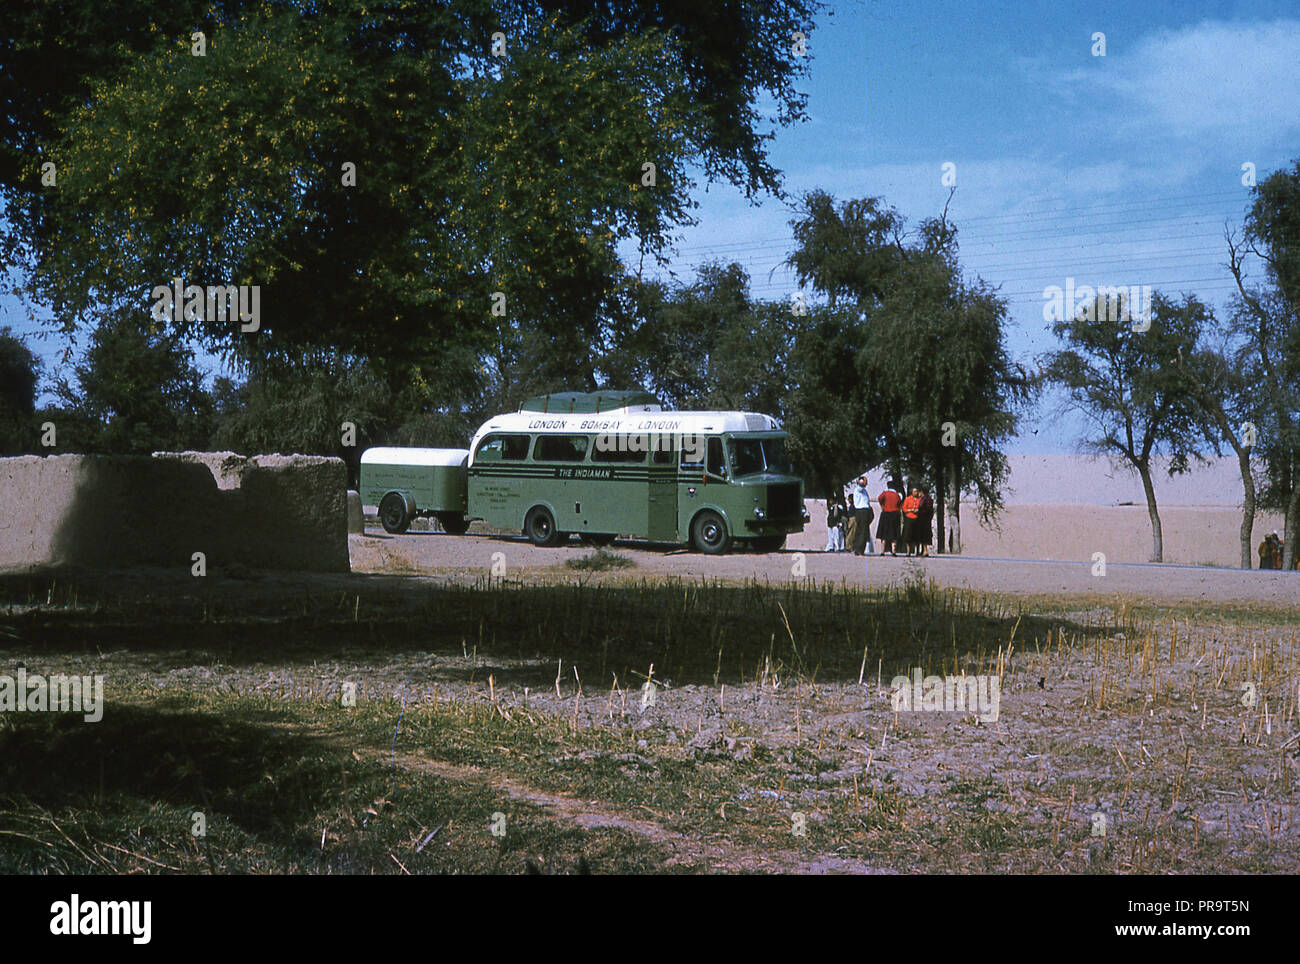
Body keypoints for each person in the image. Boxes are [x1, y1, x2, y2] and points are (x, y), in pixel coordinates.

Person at [876, 478, 903, 555]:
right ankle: (894, 551)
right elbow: (899, 504)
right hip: (895, 514)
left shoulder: (885, 493)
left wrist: (882, 506)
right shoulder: (897, 495)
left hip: (886, 513)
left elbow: (879, 498)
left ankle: (882, 551)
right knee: (894, 533)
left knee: (884, 533)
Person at [849, 476, 875, 555]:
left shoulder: (864, 491)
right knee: (861, 530)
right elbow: (860, 487)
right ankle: (858, 548)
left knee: (864, 530)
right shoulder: (858, 489)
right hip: (861, 511)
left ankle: (861, 549)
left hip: (865, 510)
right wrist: (862, 482)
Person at [901, 487, 922, 556]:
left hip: (917, 519)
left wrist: (918, 510)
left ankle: (917, 551)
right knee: (908, 535)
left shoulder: (919, 499)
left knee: (917, 535)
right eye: (914, 491)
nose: (915, 493)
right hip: (909, 518)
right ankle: (908, 551)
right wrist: (910, 510)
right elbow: (904, 508)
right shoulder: (908, 499)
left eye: (916, 491)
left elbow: (921, 508)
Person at [917, 487, 934, 557]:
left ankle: (925, 551)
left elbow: (921, 507)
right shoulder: (930, 499)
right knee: (925, 535)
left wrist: (918, 511)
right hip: (927, 519)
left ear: (922, 492)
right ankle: (923, 550)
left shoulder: (924, 499)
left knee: (924, 535)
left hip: (923, 519)